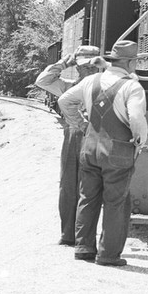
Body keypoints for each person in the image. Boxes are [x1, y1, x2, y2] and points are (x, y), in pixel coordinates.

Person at [57, 39, 148, 266]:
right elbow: (136, 118)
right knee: (116, 202)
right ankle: (108, 255)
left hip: (89, 148)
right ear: (129, 62)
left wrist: (80, 124)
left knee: (87, 197)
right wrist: (139, 142)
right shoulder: (132, 86)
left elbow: (64, 100)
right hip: (117, 151)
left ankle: (84, 248)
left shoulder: (91, 80)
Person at [34, 45, 103, 244]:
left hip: (96, 136)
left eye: (91, 65)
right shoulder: (68, 86)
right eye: (83, 66)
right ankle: (68, 234)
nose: (87, 70)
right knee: (68, 186)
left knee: (91, 187)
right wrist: (65, 62)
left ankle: (86, 235)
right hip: (73, 136)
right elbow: (42, 81)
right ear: (77, 67)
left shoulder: (105, 85)